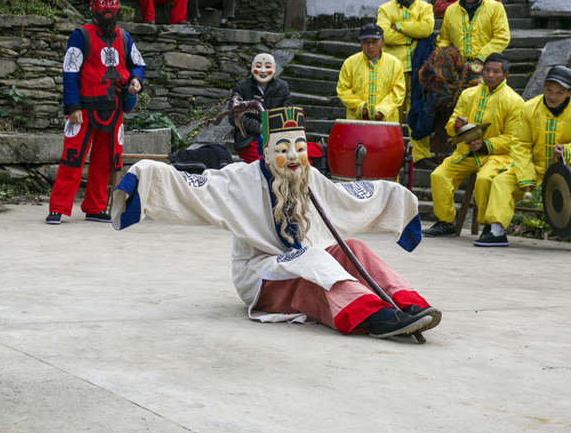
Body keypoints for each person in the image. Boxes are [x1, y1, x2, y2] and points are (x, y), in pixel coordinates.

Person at [111, 106, 441, 339]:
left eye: (299, 148)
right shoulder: (238, 180)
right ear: (267, 153)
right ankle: (372, 315)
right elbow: (194, 188)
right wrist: (142, 179)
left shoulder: (309, 178)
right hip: (261, 275)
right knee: (311, 259)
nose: (294, 157)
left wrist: (398, 200)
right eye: (283, 149)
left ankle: (407, 302)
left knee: (349, 247)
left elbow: (350, 198)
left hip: (302, 263)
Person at [45, 0, 146, 225]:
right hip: (85, 108)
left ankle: (95, 206)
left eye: (112, 2)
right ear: (93, 5)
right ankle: (58, 207)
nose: (108, 7)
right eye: (103, 1)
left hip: (114, 109)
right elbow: (70, 71)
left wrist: (136, 80)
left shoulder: (124, 38)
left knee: (104, 161)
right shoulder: (80, 36)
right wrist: (73, 106)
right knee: (72, 158)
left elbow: (138, 64)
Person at [477, 66, 571, 252]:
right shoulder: (529, 108)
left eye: (559, 92)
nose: (552, 96)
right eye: (549, 90)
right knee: (501, 181)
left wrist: (568, 150)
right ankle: (497, 230)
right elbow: (520, 143)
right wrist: (525, 174)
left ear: (570, 93)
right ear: (543, 87)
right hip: (536, 165)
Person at [423, 54, 523, 237]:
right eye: (487, 70)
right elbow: (451, 123)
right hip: (466, 151)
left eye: (496, 72)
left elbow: (514, 138)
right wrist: (457, 126)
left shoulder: (514, 101)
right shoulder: (468, 94)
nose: (490, 75)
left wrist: (485, 146)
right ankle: (445, 222)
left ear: (505, 75)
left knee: (485, 179)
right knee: (439, 175)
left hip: (496, 156)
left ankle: (488, 226)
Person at [377, 0, 435, 163]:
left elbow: (426, 29)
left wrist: (400, 26)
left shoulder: (425, 7)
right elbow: (384, 34)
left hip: (419, 66)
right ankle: (390, 150)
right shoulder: (385, 9)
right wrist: (413, 33)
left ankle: (420, 154)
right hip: (394, 66)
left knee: (418, 108)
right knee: (393, 108)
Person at [435, 0, 509, 75]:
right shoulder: (451, 10)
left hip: (487, 64)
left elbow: (502, 37)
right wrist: (445, 54)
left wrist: (481, 57)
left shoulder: (495, 8)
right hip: (457, 66)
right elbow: (444, 39)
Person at [228, 53, 291, 163]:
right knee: (264, 164)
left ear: (274, 68)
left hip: (276, 138)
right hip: (248, 139)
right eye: (258, 66)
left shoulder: (282, 86)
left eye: (267, 67)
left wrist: (274, 128)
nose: (263, 71)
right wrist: (260, 127)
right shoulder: (241, 86)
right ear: (252, 67)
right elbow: (234, 116)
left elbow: (287, 113)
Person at [336, 23, 405, 123]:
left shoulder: (395, 64)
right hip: (357, 121)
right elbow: (343, 90)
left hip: (387, 121)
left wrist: (383, 109)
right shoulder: (349, 63)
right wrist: (359, 106)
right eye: (365, 42)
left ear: (382, 42)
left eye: (375, 41)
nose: (370, 46)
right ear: (360, 43)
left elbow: (398, 92)